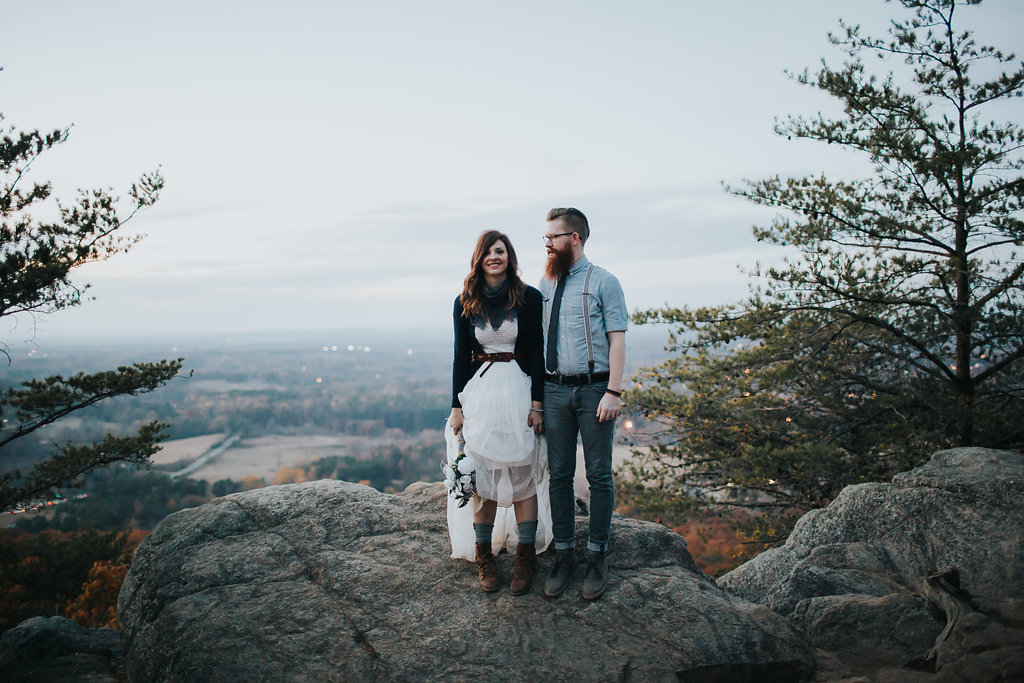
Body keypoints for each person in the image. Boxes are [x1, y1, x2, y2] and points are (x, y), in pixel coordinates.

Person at [446, 229, 551, 595]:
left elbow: (537, 354)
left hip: (519, 391)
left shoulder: (529, 297)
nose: (495, 256)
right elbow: (460, 356)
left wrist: (538, 404)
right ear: (479, 257)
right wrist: (457, 405)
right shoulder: (465, 301)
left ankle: (525, 557)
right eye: (489, 251)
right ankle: (484, 556)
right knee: (482, 473)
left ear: (510, 256)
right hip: (481, 395)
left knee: (522, 471)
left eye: (501, 251)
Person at [539, 207, 627, 601]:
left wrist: (613, 391)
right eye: (546, 238)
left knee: (599, 476)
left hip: (594, 391)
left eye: (553, 237)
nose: (548, 244)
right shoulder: (546, 284)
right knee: (558, 476)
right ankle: (563, 556)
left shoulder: (604, 282)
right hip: (554, 390)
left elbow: (617, 339)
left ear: (574, 238)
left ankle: (597, 556)